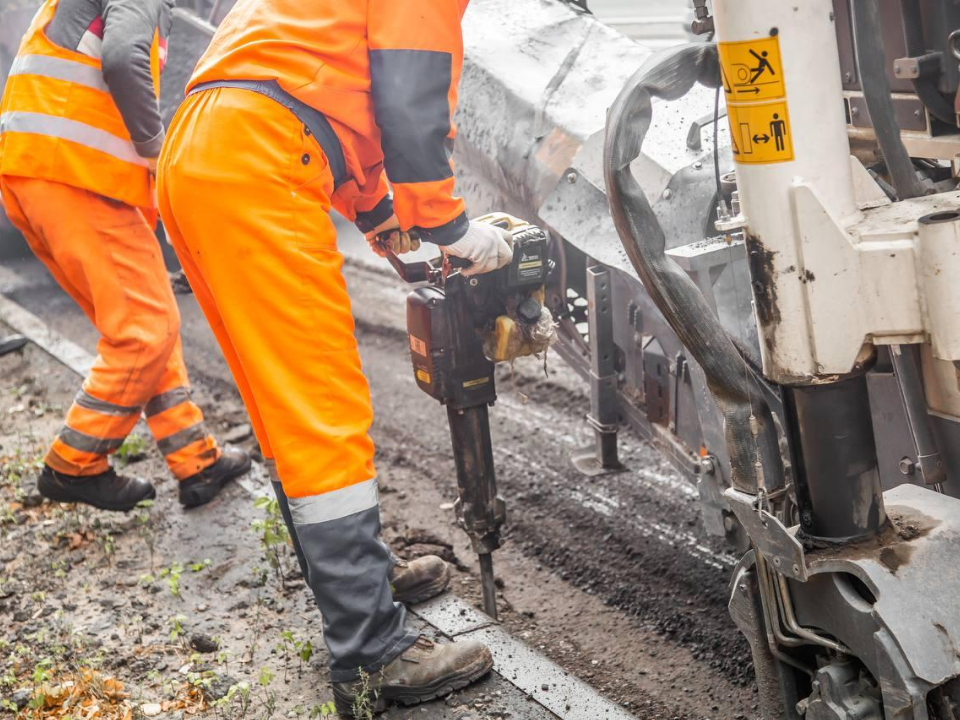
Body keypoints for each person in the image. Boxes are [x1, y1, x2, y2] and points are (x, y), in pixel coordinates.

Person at [156, 0, 516, 714]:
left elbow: (327, 100)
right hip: (260, 158)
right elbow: (409, 93)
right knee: (321, 413)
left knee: (283, 407)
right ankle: (371, 653)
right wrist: (448, 225)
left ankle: (361, 589)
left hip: (206, 149)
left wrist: (391, 229)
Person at [0, 0, 251, 511]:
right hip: (76, 173)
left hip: (44, 172)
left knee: (148, 320)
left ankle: (195, 460)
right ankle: (75, 462)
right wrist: (156, 150)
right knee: (144, 332)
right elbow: (121, 57)